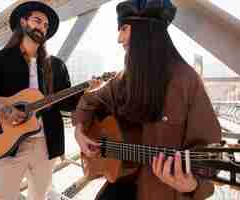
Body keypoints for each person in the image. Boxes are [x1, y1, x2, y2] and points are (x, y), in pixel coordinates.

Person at [74, 0, 222, 199]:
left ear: (145, 32)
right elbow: (90, 100)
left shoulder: (187, 81)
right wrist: (79, 129)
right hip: (121, 184)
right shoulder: (121, 80)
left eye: (124, 28)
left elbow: (210, 156)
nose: (119, 39)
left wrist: (192, 186)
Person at [0, 1, 82, 199]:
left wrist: (89, 92)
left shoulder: (56, 65)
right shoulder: (1, 59)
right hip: (10, 145)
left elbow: (68, 103)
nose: (42, 27)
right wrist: (1, 106)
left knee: (39, 196)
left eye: (46, 25)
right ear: (23, 22)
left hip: (47, 144)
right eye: (37, 21)